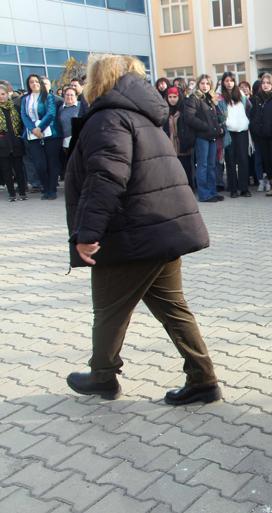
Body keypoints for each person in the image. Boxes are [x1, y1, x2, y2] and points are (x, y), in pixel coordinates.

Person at [64, 54, 220, 405]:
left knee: (108, 310)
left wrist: (87, 234)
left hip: (132, 234)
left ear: (99, 79)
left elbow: (106, 177)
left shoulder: (108, 118)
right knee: (173, 308)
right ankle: (203, 379)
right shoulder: (143, 115)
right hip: (159, 231)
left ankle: (102, 376)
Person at [20, 74, 62, 199]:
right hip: (33, 136)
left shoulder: (48, 97)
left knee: (52, 163)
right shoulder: (25, 99)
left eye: (37, 81)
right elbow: (24, 115)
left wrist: (40, 128)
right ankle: (45, 187)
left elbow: (51, 113)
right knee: (39, 164)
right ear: (29, 85)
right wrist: (33, 129)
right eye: (32, 82)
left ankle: (52, 190)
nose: (34, 84)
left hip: (50, 134)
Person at [184, 74, 224, 202]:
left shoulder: (210, 98)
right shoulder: (193, 98)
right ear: (198, 84)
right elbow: (189, 118)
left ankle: (212, 192)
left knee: (212, 165)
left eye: (207, 83)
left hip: (212, 137)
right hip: (201, 137)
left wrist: (218, 128)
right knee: (203, 165)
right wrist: (206, 127)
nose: (205, 86)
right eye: (202, 83)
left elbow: (216, 118)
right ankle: (204, 194)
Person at [218, 71, 252, 198]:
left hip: (242, 131)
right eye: (226, 81)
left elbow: (249, 108)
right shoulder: (220, 97)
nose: (229, 83)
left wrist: (246, 121)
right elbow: (219, 115)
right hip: (228, 133)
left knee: (243, 160)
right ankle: (233, 188)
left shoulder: (241, 95)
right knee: (230, 161)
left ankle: (244, 188)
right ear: (223, 82)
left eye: (231, 80)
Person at [163, 86, 195, 190]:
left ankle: (188, 189)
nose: (172, 99)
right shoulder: (164, 111)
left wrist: (187, 141)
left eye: (175, 97)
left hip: (183, 145)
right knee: (172, 169)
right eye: (170, 97)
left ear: (179, 97)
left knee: (185, 168)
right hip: (170, 146)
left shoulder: (184, 110)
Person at [0, 82, 27, 201]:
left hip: (16, 143)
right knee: (6, 171)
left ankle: (22, 192)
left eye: (3, 94)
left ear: (7, 94)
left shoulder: (15, 108)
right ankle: (11, 193)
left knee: (19, 170)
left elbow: (21, 125)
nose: (1, 97)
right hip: (2, 145)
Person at [58, 86, 80, 170]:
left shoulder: (81, 106)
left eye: (71, 95)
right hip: (65, 142)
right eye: (67, 95)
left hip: (78, 140)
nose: (69, 97)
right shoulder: (61, 108)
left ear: (76, 96)